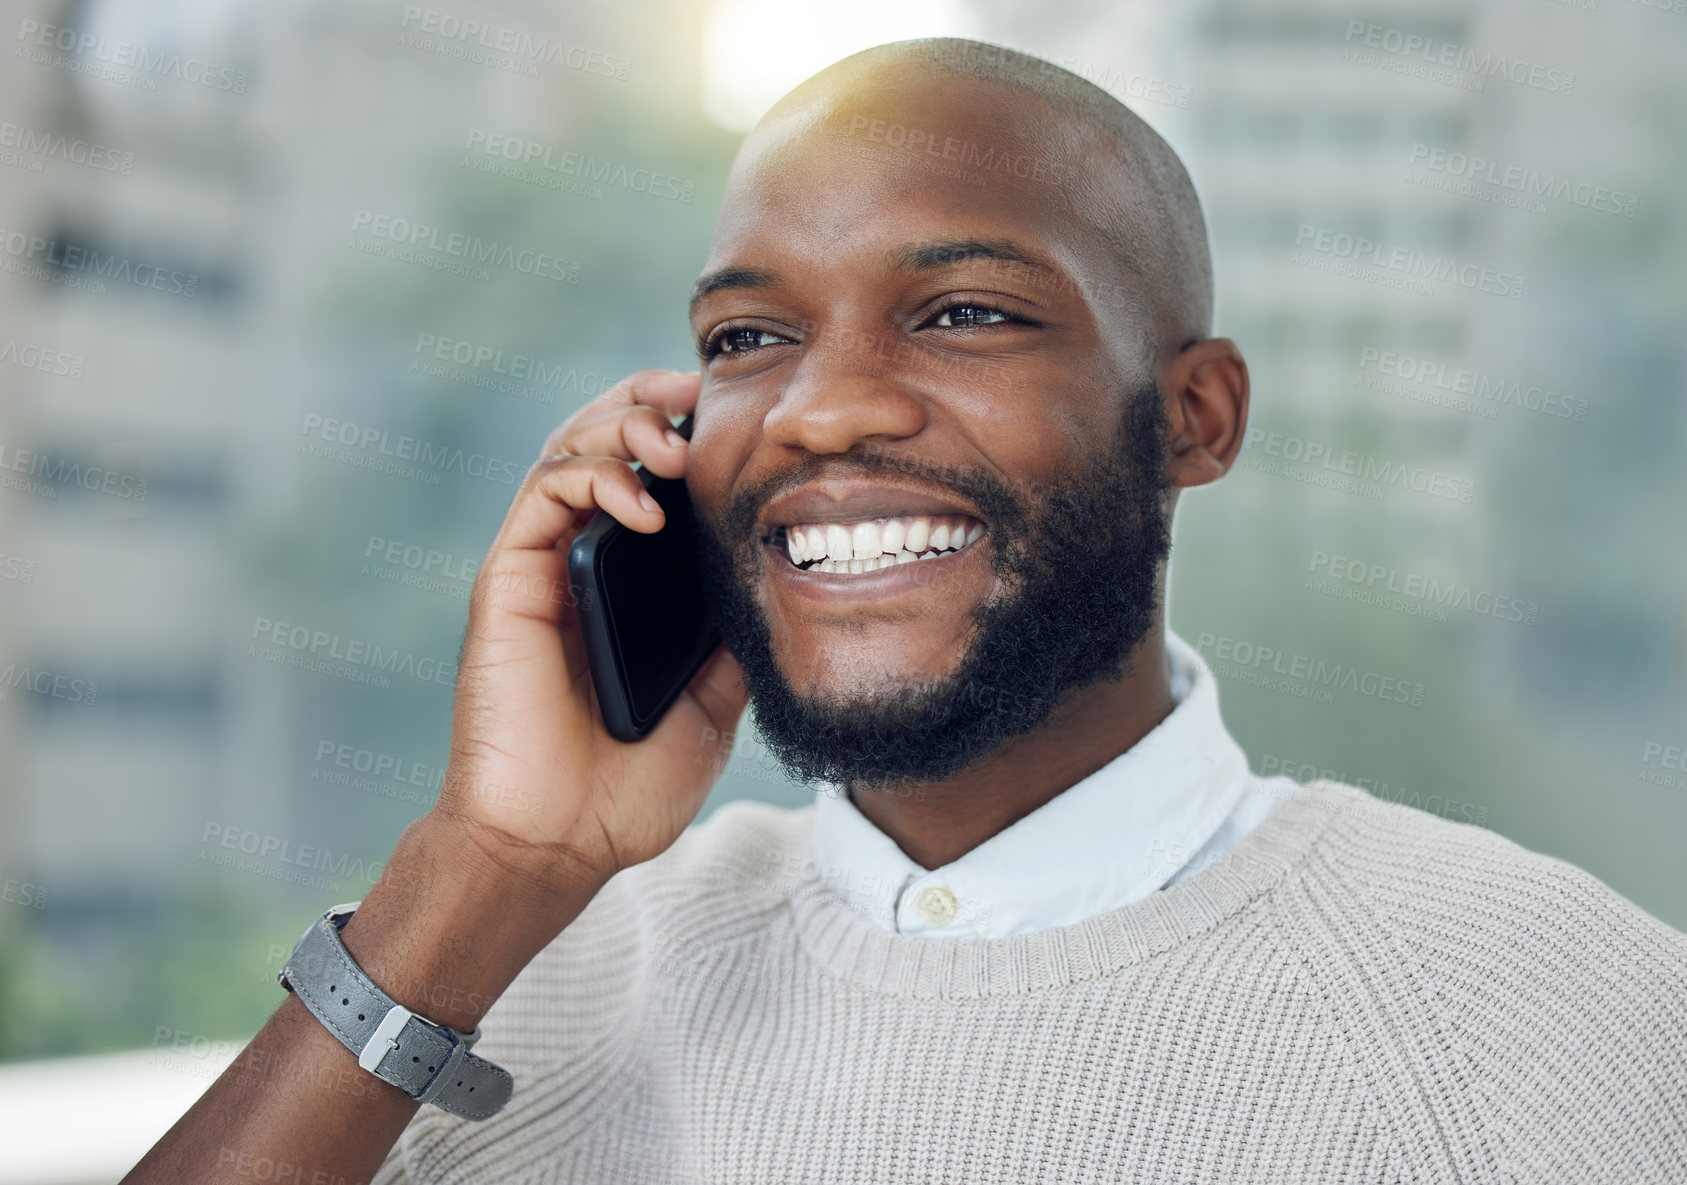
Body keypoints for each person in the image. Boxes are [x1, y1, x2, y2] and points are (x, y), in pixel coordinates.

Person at [125, 37, 1687, 1185]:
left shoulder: (1549, 1016)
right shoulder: (520, 979)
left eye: (965, 313)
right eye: (748, 333)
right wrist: (482, 870)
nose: (819, 412)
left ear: (1194, 417)